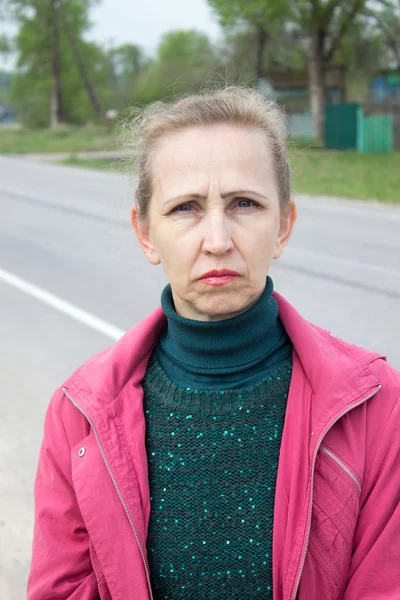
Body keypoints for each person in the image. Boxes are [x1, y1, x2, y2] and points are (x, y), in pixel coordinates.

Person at [27, 87, 400, 600]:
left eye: (245, 203)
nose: (218, 239)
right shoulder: (81, 414)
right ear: (145, 234)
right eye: (186, 208)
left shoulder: (376, 404)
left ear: (284, 225)